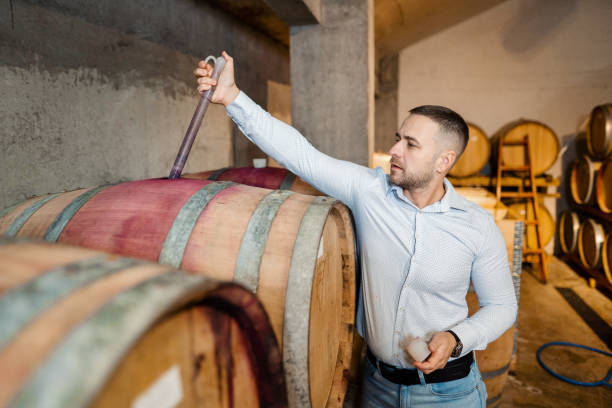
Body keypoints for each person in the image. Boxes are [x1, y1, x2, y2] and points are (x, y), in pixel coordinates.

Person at [194, 51, 517, 407]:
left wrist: (457, 337)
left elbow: (501, 305)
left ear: (444, 161)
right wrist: (232, 98)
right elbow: (301, 155)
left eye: (411, 144)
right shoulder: (370, 191)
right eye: (399, 138)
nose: (394, 150)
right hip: (377, 386)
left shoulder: (476, 225)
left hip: (447, 392)